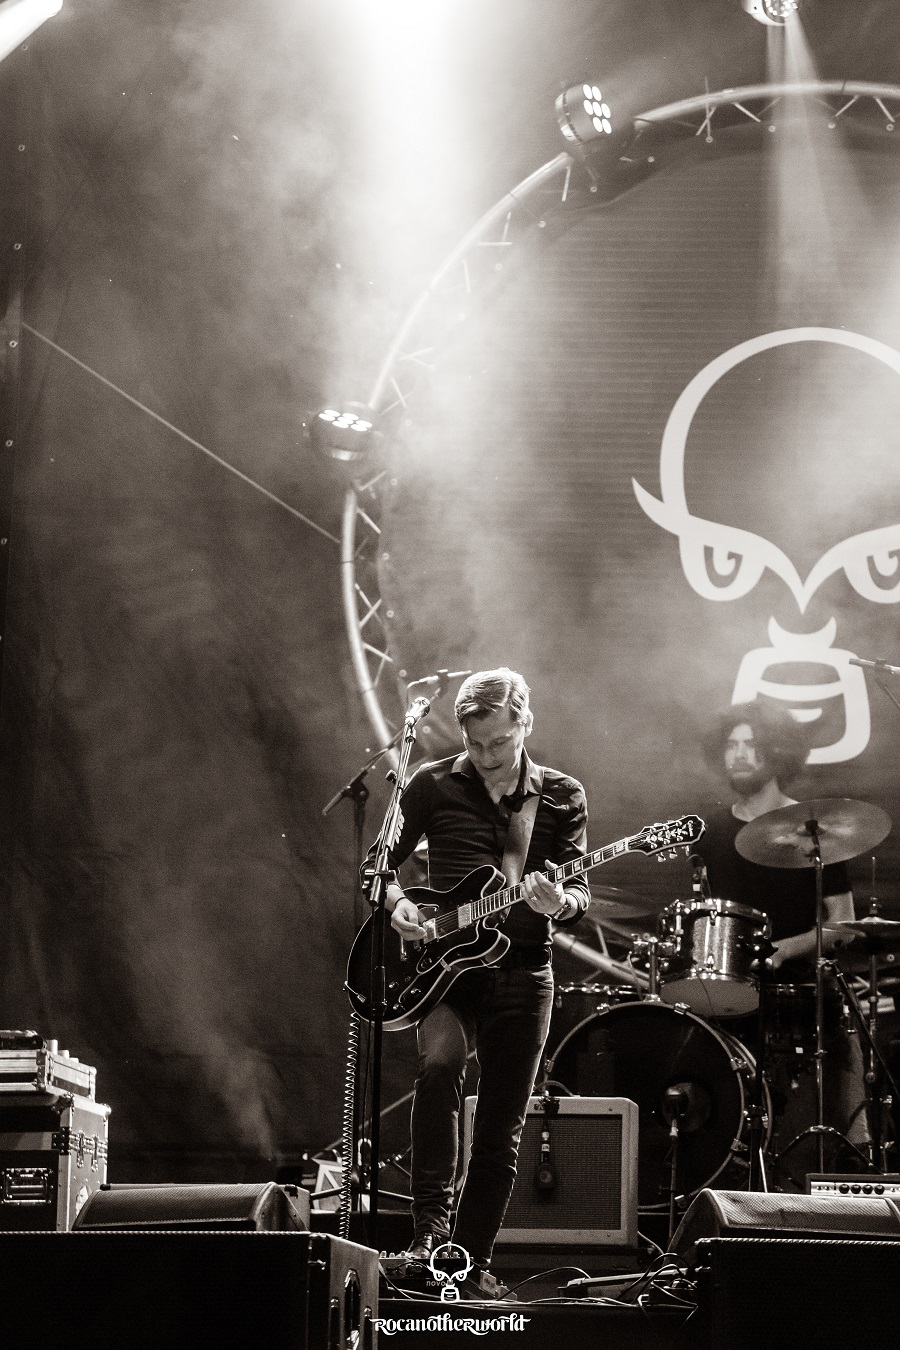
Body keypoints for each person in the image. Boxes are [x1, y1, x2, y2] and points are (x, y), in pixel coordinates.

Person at [375, 667, 589, 1274]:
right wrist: (399, 904)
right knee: (438, 1070)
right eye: (475, 743)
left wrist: (558, 902)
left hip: (524, 971)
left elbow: (579, 894)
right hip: (445, 970)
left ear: (526, 724)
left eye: (499, 741)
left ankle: (466, 1263)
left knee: (500, 1127)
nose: (487, 756)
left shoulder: (562, 795)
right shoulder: (432, 783)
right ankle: (426, 1238)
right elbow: (377, 869)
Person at [698, 699, 869, 1181]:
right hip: (729, 993)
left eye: (751, 744)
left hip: (802, 993)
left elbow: (844, 923)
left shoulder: (817, 828)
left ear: (777, 752)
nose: (738, 753)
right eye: (731, 744)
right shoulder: (711, 832)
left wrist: (787, 949)